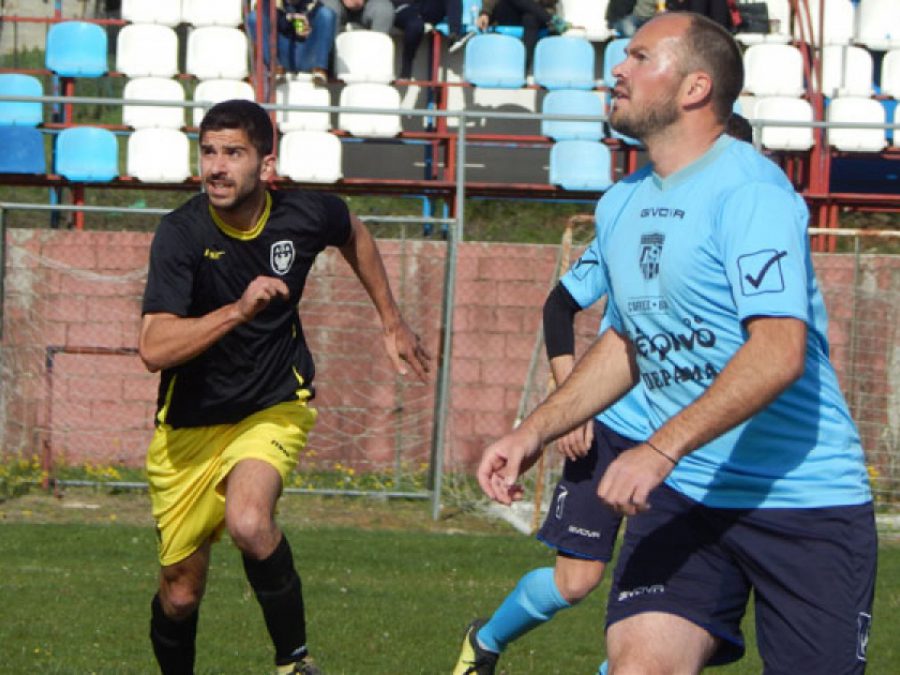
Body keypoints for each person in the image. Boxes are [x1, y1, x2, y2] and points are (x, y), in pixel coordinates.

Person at [477, 12, 876, 675]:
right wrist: (534, 431)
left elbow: (778, 351)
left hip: (804, 505)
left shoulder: (751, 191)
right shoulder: (622, 203)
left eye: (639, 56)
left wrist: (659, 447)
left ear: (694, 88)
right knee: (639, 666)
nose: (618, 68)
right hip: (688, 494)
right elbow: (630, 341)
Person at [140, 99, 430, 675]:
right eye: (209, 152)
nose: (216, 167)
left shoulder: (303, 215)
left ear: (265, 165)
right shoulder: (181, 233)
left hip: (273, 407)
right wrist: (237, 311)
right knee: (179, 595)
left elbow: (353, 232)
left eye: (233, 153)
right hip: (188, 430)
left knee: (250, 520)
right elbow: (153, 348)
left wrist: (391, 319)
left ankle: (294, 662)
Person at [452, 236, 651, 675]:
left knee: (658, 603)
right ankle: (484, 644)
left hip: (683, 444)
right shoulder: (630, 219)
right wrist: (572, 404)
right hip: (608, 430)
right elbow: (559, 305)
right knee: (575, 581)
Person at [246, 0, 337, 84]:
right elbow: (265, 14)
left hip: (307, 53)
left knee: (327, 14)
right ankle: (275, 68)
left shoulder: (312, 3)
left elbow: (318, 19)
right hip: (280, 55)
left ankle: (320, 69)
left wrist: (308, 26)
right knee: (255, 17)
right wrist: (289, 20)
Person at [474, 0, 571, 72]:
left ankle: (523, 69)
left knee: (530, 18)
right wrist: (485, 13)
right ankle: (551, 20)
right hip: (510, 12)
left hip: (535, 13)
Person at [392, 0, 464, 79]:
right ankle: (406, 70)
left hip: (427, 8)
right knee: (415, 25)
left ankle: (454, 36)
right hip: (404, 7)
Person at [319, 0, 394, 42]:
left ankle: (373, 61)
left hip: (369, 5)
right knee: (328, 11)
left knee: (383, 9)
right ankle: (328, 64)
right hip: (336, 4)